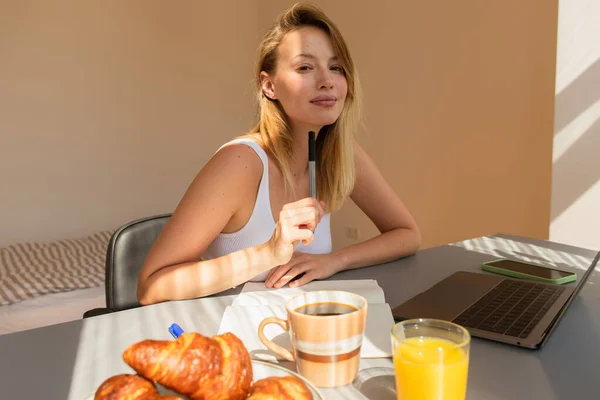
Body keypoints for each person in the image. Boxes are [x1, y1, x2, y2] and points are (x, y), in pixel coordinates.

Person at [137, 3, 421, 305]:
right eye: (305, 67)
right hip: (234, 338)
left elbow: (407, 234)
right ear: (269, 85)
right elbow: (152, 288)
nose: (326, 81)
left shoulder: (341, 153)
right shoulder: (240, 163)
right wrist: (268, 252)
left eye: (336, 67)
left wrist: (334, 261)